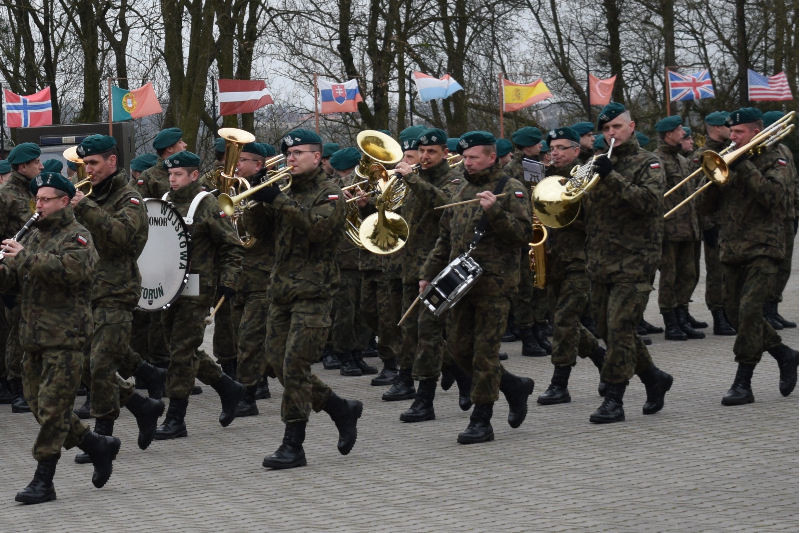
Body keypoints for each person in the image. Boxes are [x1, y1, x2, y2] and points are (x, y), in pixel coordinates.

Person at [1, 172, 121, 504]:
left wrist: (23, 256)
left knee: (54, 412)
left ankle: (43, 481)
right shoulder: (35, 236)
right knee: (41, 407)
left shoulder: (78, 236)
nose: (37, 206)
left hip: (65, 336)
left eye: (45, 199)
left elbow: (71, 272)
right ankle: (98, 444)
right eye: (36, 199)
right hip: (33, 336)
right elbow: (17, 279)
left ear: (64, 201)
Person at [249, 129, 362, 469]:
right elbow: (258, 232)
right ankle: (341, 408)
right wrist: (257, 196)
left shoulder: (330, 194)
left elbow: (317, 229)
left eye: (299, 153)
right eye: (288, 154)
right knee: (280, 366)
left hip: (314, 291)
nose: (291, 159)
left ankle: (293, 444)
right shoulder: (284, 190)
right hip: (281, 290)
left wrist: (279, 201)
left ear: (317, 156)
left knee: (295, 365)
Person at [421, 131, 535, 444]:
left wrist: (494, 212)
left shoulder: (510, 189)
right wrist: (428, 273)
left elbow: (524, 233)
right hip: (460, 283)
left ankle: (481, 418)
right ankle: (513, 386)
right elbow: (446, 238)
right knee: (459, 349)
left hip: (495, 283)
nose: (467, 163)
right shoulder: (458, 187)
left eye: (473, 158)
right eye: (465, 157)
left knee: (485, 353)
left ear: (491, 156)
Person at [70, 135, 165, 461]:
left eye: (93, 163)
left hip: (116, 290)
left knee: (100, 365)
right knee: (86, 361)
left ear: (112, 161)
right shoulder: (91, 196)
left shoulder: (130, 198)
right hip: (86, 290)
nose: (88, 170)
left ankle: (103, 438)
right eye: (85, 164)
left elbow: (122, 237)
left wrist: (83, 206)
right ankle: (142, 403)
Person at [698, 107, 798, 405]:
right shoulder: (730, 157)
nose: (733, 137)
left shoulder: (776, 157)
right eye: (731, 132)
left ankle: (743, 382)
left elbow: (774, 198)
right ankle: (784, 354)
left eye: (739, 132)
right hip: (732, 247)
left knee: (751, 310)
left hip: (765, 247)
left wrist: (744, 166)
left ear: (756, 131)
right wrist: (714, 179)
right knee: (733, 312)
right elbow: (705, 207)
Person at [583, 102, 673, 424]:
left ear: (631, 127)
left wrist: (612, 178)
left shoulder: (648, 162)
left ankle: (614, 399)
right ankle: (653, 378)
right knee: (610, 330)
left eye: (616, 127)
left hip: (635, 259)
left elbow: (649, 204)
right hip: (600, 260)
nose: (611, 134)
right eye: (606, 129)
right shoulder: (595, 163)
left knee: (621, 327)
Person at [154, 151, 245, 438]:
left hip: (197, 288)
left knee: (181, 352)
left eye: (178, 174)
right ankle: (228, 388)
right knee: (180, 348)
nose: (173, 179)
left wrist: (228, 282)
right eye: (170, 174)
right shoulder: (164, 203)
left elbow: (232, 246)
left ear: (194, 175)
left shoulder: (206, 204)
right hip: (168, 287)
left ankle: (176, 418)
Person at [391, 128, 465, 422]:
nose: (424, 157)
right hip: (410, 266)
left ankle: (425, 399)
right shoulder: (414, 180)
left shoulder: (454, 179)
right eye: (421, 151)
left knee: (432, 334)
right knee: (412, 332)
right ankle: (464, 376)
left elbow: (442, 206)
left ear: (445, 153)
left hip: (439, 267)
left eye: (431, 151)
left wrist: (411, 178)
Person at [536, 128, 606, 405]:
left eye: (562, 148)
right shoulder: (548, 175)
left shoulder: (587, 177)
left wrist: (559, 213)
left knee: (565, 320)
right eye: (552, 147)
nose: (555, 152)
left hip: (580, 258)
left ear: (577, 151)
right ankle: (602, 359)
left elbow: (595, 219)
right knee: (560, 320)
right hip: (553, 258)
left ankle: (559, 383)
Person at [231, 142, 277, 417]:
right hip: (240, 274)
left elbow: (260, 230)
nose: (238, 165)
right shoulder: (236, 187)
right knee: (242, 336)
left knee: (250, 337)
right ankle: (258, 380)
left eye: (244, 160)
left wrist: (255, 204)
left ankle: (248, 396)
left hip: (262, 275)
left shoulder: (267, 193)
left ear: (258, 165)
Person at [0, 143, 42, 414]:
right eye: (36, 162)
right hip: (12, 271)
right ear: (22, 166)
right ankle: (16, 384)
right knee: (18, 328)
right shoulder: (6, 195)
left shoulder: (26, 191)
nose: (40, 166)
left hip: (27, 267)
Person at [655, 115, 705, 341]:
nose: (683, 133)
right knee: (669, 277)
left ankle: (682, 315)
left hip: (688, 227)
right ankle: (671, 321)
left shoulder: (682, 160)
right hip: (669, 229)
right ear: (668, 135)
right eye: (678, 130)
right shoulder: (658, 160)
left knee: (688, 274)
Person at [504, 126, 550, 357]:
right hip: (523, 234)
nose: (541, 145)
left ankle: (540, 330)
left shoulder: (538, 165)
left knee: (540, 285)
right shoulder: (513, 169)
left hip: (539, 229)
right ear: (527, 145)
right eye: (537, 142)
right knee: (525, 288)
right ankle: (528, 337)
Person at [694, 111, 736, 335]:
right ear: (716, 128)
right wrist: (707, 224)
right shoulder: (704, 155)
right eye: (726, 126)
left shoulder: (732, 149)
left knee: (731, 272)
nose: (730, 130)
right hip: (715, 223)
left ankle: (731, 312)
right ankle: (718, 315)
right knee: (716, 272)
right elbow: (699, 193)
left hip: (733, 221)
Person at [761, 110, 798, 330]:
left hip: (788, 215)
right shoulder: (763, 151)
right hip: (770, 219)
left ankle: (773, 308)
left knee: (784, 267)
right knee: (771, 266)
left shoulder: (784, 149)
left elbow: (793, 184)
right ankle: (765, 310)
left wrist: (795, 212)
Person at [135, 127, 187, 198]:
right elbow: (137, 206)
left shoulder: (188, 171)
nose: (185, 144)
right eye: (180, 142)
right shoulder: (149, 177)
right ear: (169, 149)